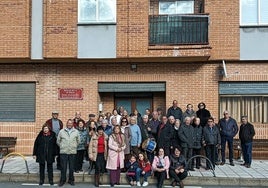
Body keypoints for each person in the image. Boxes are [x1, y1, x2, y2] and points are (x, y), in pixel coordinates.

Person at [57, 119, 80, 186]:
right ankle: (62, 180)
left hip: (72, 152)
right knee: (63, 167)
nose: (69, 124)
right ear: (66, 124)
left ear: (72, 124)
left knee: (71, 167)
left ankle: (71, 180)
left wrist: (74, 146)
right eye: (68, 123)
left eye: (71, 123)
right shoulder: (61, 131)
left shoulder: (76, 131)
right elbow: (58, 141)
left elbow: (78, 141)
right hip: (64, 152)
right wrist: (62, 146)